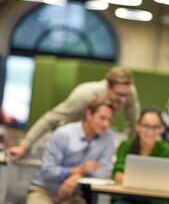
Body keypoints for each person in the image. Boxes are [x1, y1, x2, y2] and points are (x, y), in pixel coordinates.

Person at [7, 66, 140, 161]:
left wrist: (131, 154)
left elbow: (134, 124)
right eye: (119, 95)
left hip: (94, 144)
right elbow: (51, 118)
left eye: (126, 95)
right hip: (70, 145)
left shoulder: (130, 93)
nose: (123, 100)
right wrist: (24, 145)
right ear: (108, 87)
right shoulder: (85, 94)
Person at [26, 97, 115, 204]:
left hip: (72, 195)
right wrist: (78, 170)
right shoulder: (63, 134)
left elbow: (106, 172)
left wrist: (79, 176)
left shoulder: (107, 137)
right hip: (44, 191)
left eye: (109, 120)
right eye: (102, 118)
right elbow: (47, 170)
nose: (106, 124)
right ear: (89, 114)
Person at [112, 107, 169, 204]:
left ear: (161, 129)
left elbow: (167, 180)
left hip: (155, 200)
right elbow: (118, 174)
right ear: (138, 126)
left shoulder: (167, 150)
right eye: (146, 126)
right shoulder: (126, 145)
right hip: (127, 198)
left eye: (155, 127)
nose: (150, 132)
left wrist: (133, 181)